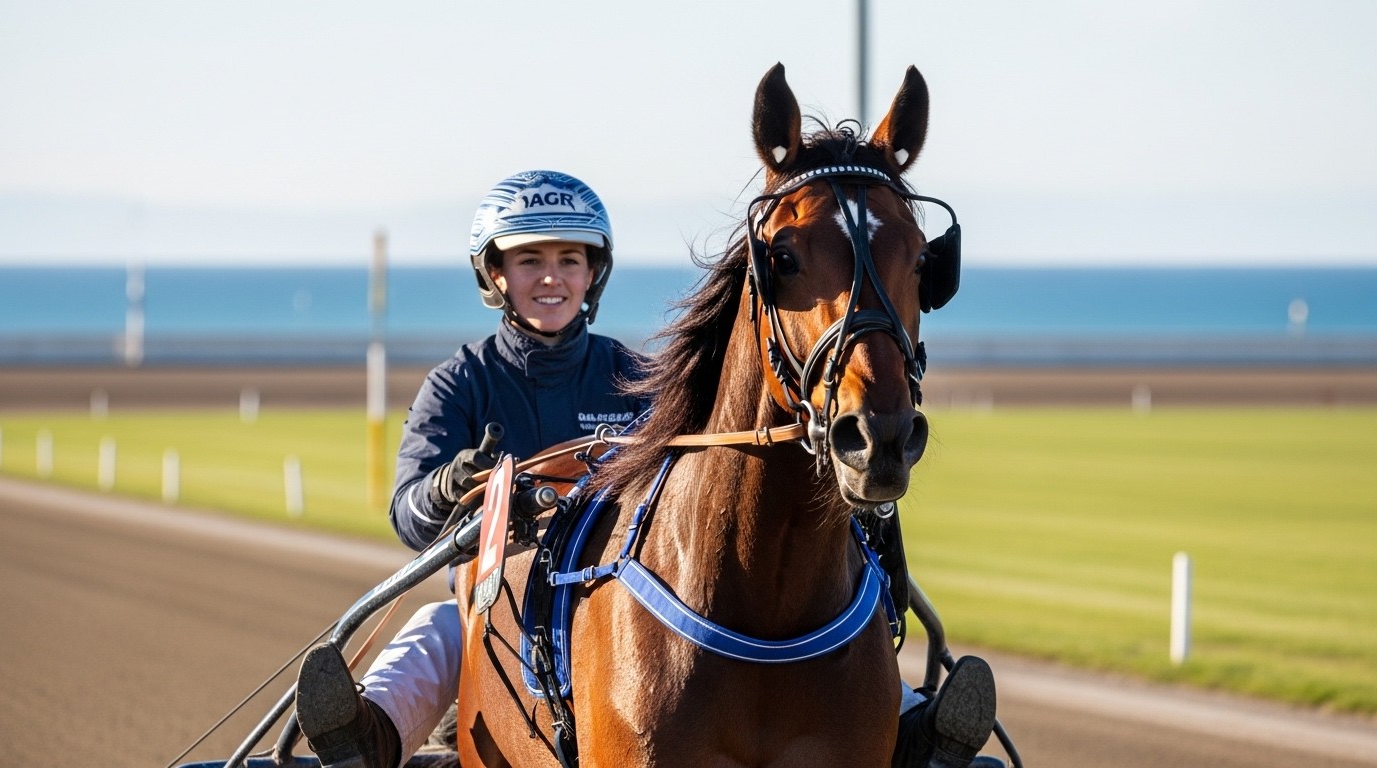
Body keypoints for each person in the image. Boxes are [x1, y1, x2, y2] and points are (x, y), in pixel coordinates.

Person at [293, 170, 999, 768]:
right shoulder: (460, 384)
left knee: (826, 621)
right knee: (437, 630)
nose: (551, 278)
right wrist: (450, 487)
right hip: (500, 604)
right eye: (530, 260)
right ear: (495, 275)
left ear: (592, 273)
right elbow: (408, 515)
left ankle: (906, 725)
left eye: (570, 261)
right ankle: (369, 737)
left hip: (616, 586)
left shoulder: (635, 376)